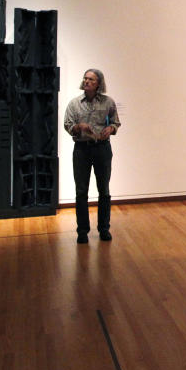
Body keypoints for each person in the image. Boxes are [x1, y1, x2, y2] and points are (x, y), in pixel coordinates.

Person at [63, 68, 120, 243]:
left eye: (91, 80)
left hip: (102, 149)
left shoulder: (108, 102)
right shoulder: (74, 103)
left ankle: (104, 228)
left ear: (98, 83)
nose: (86, 81)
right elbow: (67, 124)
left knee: (104, 190)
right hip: (82, 149)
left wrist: (110, 129)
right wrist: (79, 126)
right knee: (81, 191)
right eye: (85, 78)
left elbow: (116, 122)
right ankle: (82, 231)